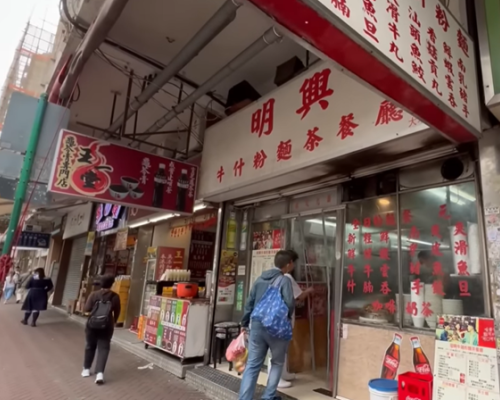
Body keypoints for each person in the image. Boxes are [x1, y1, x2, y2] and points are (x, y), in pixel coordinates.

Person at [239, 250, 295, 400]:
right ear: (288, 264)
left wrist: (244, 323)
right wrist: (286, 318)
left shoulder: (259, 279)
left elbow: (249, 303)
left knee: (252, 365)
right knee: (277, 362)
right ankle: (268, 396)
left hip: (257, 325)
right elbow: (290, 303)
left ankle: (244, 398)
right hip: (276, 327)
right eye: (292, 263)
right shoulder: (284, 280)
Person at [268, 249, 313, 389]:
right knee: (278, 350)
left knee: (281, 349)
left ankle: (283, 374)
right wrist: (309, 291)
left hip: (273, 318)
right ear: (289, 263)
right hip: (281, 320)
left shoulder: (272, 276)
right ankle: (275, 379)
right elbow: (298, 296)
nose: (294, 265)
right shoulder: (287, 277)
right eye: (294, 262)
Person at [82, 275, 121, 385]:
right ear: (112, 284)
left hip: (92, 325)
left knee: (90, 346)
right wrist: (114, 321)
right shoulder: (115, 296)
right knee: (104, 348)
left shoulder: (94, 294)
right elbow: (117, 312)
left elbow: (86, 309)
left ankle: (86, 369)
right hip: (107, 325)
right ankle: (100, 374)